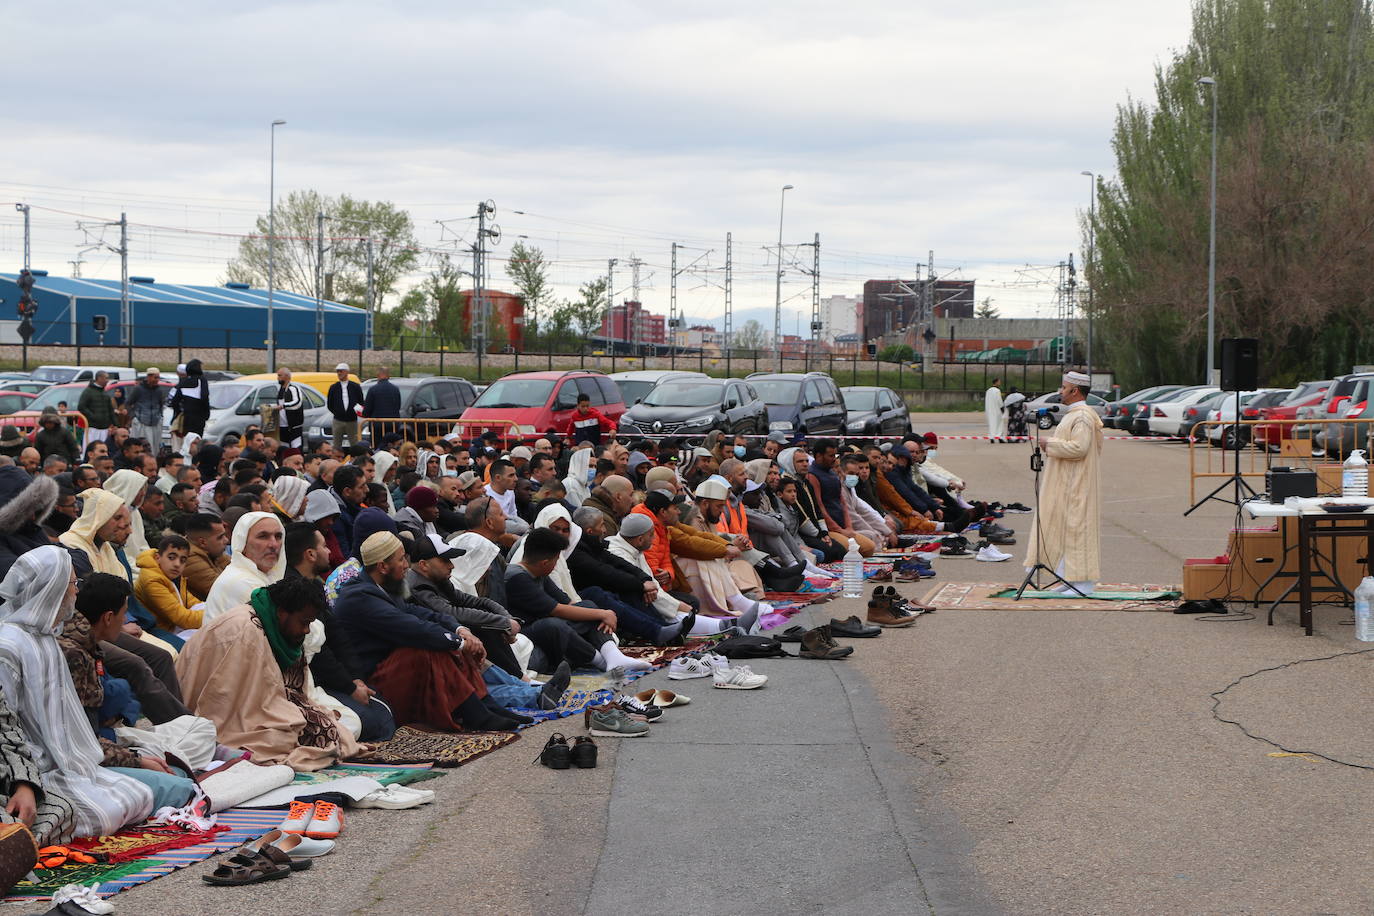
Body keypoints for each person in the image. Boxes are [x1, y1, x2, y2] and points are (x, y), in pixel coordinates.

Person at [0, 546, 154, 836]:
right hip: (32, 769)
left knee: (141, 796)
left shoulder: (46, 638)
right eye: (72, 584)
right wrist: (27, 779)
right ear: (52, 588)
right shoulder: (8, 645)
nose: (75, 593)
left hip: (67, 762)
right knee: (105, 814)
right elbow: (9, 725)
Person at [334, 531, 519, 731]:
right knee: (427, 647)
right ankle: (476, 713)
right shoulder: (358, 597)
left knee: (446, 639)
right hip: (373, 684)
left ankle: (485, 705)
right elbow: (411, 627)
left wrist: (460, 630)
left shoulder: (383, 586)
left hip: (395, 672)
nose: (406, 565)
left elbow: (420, 613)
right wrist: (461, 643)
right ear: (382, 566)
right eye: (401, 559)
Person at [176, 576, 361, 770]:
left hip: (254, 707)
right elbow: (225, 703)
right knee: (280, 739)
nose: (306, 630)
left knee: (335, 731)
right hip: (218, 714)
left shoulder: (278, 629)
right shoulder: (246, 631)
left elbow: (286, 691)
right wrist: (292, 716)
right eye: (304, 622)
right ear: (282, 613)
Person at [284, 523, 395, 742]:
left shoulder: (315, 585)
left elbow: (337, 636)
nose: (329, 552)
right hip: (313, 681)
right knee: (374, 721)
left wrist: (355, 679)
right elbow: (319, 653)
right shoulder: (291, 590)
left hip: (337, 677)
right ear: (310, 554)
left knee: (383, 711)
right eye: (324, 546)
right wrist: (349, 686)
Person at [504, 528, 651, 673]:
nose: (556, 565)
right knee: (553, 625)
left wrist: (598, 613)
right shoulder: (516, 577)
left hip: (545, 622)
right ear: (544, 563)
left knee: (588, 606)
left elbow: (567, 602)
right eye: (556, 560)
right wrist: (602, 614)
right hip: (524, 631)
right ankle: (600, 661)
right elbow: (557, 609)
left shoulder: (538, 572)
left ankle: (613, 655)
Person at [1024, 371, 1104, 597]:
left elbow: (1079, 448)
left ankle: (1083, 583)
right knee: (1064, 529)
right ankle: (1069, 579)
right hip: (1068, 481)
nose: (1060, 391)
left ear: (1074, 390)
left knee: (1078, 530)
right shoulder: (1074, 415)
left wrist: (1050, 442)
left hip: (1077, 484)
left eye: (1063, 387)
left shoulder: (1082, 417)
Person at [405, 533, 524, 678]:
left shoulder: (437, 578)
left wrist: (506, 619)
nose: (452, 565)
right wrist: (502, 623)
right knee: (482, 627)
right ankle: (519, 679)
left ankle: (518, 678)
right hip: (432, 649)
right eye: (445, 560)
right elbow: (452, 613)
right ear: (424, 565)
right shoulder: (418, 587)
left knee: (487, 621)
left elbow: (478, 601)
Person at [203, 512, 285, 623]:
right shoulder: (243, 582)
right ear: (243, 544)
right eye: (263, 536)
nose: (274, 544)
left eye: (278, 536)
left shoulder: (262, 575)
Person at [135, 534, 204, 635]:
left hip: (175, 626)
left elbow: (192, 603)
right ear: (158, 557)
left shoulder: (171, 574)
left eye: (183, 560)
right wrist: (215, 614)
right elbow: (182, 619)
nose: (177, 564)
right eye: (171, 557)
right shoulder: (152, 580)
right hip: (160, 632)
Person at [124, 368, 166, 453]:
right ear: (149, 377)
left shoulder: (159, 390)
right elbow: (128, 403)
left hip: (155, 422)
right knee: (142, 447)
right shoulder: (138, 389)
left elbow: (161, 404)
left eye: (158, 378)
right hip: (141, 422)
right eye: (155, 377)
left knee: (154, 448)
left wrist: (160, 416)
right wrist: (134, 416)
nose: (157, 380)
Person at [327, 363, 365, 448]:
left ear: (346, 372)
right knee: (336, 444)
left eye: (341, 371)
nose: (339, 373)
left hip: (352, 420)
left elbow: (361, 402)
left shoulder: (355, 387)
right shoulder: (333, 387)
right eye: (337, 372)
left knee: (354, 443)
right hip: (338, 420)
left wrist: (353, 412)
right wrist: (338, 412)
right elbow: (330, 404)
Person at [78, 371, 117, 450]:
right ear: (99, 378)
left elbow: (110, 410)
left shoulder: (105, 393)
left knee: (103, 449)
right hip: (92, 428)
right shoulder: (88, 391)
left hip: (105, 428)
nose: (107, 380)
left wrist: (115, 424)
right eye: (106, 378)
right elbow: (81, 407)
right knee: (91, 448)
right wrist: (93, 417)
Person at [362, 366, 402, 442]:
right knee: (391, 444)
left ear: (378, 375)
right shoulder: (395, 389)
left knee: (377, 446)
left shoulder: (373, 389)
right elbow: (398, 406)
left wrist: (364, 414)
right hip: (393, 424)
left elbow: (367, 409)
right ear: (388, 375)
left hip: (377, 425)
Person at [275, 368, 306, 455]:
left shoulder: (293, 388)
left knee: (296, 450)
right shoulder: (280, 390)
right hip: (282, 427)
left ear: (287, 376)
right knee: (284, 451)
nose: (278, 378)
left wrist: (283, 406)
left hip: (294, 427)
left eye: (280, 375)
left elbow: (297, 403)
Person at [985, 377, 1006, 443]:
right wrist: (1002, 408)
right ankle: (999, 437)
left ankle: (992, 437)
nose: (1000, 383)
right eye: (999, 382)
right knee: (999, 424)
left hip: (989, 410)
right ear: (996, 382)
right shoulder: (997, 391)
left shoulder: (988, 390)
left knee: (992, 424)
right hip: (997, 410)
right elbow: (999, 400)